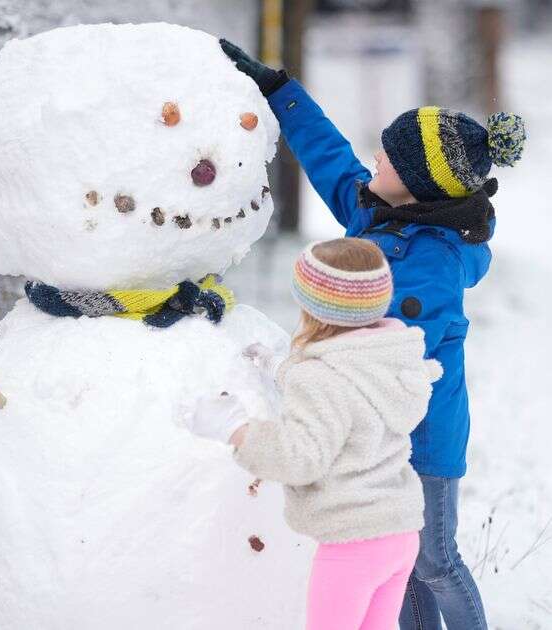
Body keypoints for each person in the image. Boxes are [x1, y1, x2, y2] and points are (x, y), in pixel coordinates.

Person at [218, 38, 526, 630]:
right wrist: (281, 91)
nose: (373, 165)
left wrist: (302, 367)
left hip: (426, 439)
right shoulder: (379, 215)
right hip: (381, 435)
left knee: (434, 560)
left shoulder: (432, 264)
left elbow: (386, 355)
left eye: (385, 161)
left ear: (415, 185)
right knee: (402, 561)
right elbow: (329, 158)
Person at [186, 237, 442, 630]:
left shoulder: (321, 378)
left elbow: (300, 457)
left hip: (352, 543)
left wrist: (234, 428)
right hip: (401, 533)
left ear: (315, 307)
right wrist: (279, 368)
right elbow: (347, 392)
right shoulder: (391, 359)